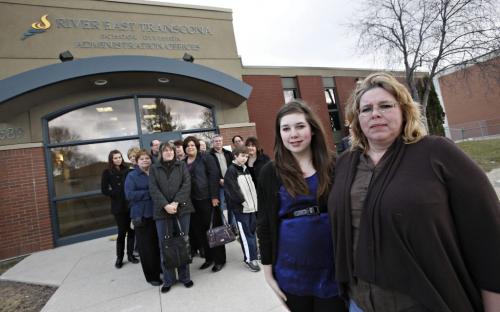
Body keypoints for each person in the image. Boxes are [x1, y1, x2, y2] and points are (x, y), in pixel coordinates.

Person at [328, 72, 500, 312]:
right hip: (360, 302)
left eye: (385, 106)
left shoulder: (437, 153)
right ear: (356, 119)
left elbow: (488, 232)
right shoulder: (345, 164)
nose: (375, 113)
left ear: (404, 111)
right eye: (366, 109)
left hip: (425, 302)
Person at [257, 100, 346, 312]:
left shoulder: (335, 165)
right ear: (279, 135)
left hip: (332, 272)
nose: (293, 134)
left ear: (312, 129)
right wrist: (268, 272)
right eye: (285, 129)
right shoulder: (270, 173)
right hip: (291, 273)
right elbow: (264, 225)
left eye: (299, 126)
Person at [149, 142, 195, 293]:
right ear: (161, 153)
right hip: (162, 212)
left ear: (174, 153)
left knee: (183, 243)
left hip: (182, 209)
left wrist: (175, 202)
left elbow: (186, 184)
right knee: (165, 245)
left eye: (171, 150)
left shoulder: (181, 166)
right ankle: (169, 280)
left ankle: (185, 277)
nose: (168, 153)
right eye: (165, 150)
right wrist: (165, 205)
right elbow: (153, 189)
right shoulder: (154, 168)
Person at [184, 136, 226, 272]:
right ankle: (209, 258)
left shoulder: (206, 158)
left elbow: (214, 176)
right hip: (192, 201)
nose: (190, 147)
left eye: (192, 145)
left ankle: (219, 260)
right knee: (201, 232)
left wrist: (214, 196)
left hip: (208, 199)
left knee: (214, 230)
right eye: (187, 145)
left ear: (196, 146)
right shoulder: (183, 162)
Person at [124, 149, 162, 287]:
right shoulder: (132, 176)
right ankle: (151, 276)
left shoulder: (155, 173)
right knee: (146, 248)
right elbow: (130, 195)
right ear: (137, 161)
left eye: (147, 158)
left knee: (157, 245)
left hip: (157, 214)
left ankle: (159, 269)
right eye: (142, 159)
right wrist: (150, 193)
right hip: (141, 216)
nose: (145, 160)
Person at [224, 145, 260, 272]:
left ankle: (254, 255)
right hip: (242, 209)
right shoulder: (231, 171)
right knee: (246, 235)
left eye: (246, 156)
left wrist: (255, 204)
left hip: (252, 208)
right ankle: (249, 259)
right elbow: (233, 191)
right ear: (235, 156)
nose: (245, 158)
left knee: (252, 232)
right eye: (242, 156)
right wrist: (243, 202)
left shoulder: (245, 169)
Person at [101, 150, 139, 269]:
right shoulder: (107, 172)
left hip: (129, 205)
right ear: (111, 160)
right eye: (115, 158)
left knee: (132, 231)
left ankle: (130, 255)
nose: (118, 159)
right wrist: (115, 192)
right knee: (122, 232)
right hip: (118, 207)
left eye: (120, 157)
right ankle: (119, 257)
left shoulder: (127, 170)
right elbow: (104, 190)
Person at [208, 134, 235, 226]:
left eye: (220, 140)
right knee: (221, 207)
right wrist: (219, 179)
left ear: (222, 142)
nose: (218, 142)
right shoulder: (209, 155)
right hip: (218, 186)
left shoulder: (228, 153)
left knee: (232, 206)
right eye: (216, 141)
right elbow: (210, 171)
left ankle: (233, 226)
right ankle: (224, 227)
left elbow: (233, 167)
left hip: (230, 184)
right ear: (213, 143)